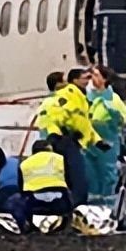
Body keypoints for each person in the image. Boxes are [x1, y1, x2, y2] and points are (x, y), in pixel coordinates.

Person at [36, 68, 105, 206]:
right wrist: (60, 132)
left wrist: (96, 140)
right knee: (75, 176)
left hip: (71, 140)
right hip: (64, 140)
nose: (88, 81)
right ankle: (75, 206)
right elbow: (58, 115)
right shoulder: (68, 94)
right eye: (85, 77)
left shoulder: (79, 96)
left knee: (75, 176)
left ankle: (74, 205)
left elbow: (82, 122)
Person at [85, 65, 126, 207]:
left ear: (105, 79)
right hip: (89, 142)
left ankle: (107, 208)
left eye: (97, 75)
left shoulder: (113, 99)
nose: (93, 78)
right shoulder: (86, 98)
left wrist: (114, 116)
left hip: (107, 143)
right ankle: (92, 208)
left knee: (108, 176)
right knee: (90, 176)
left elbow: (124, 119)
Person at [15, 140, 72, 232]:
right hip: (59, 202)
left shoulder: (24, 164)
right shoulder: (60, 158)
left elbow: (21, 187)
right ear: (49, 148)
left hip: (34, 203)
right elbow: (70, 179)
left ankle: (29, 226)